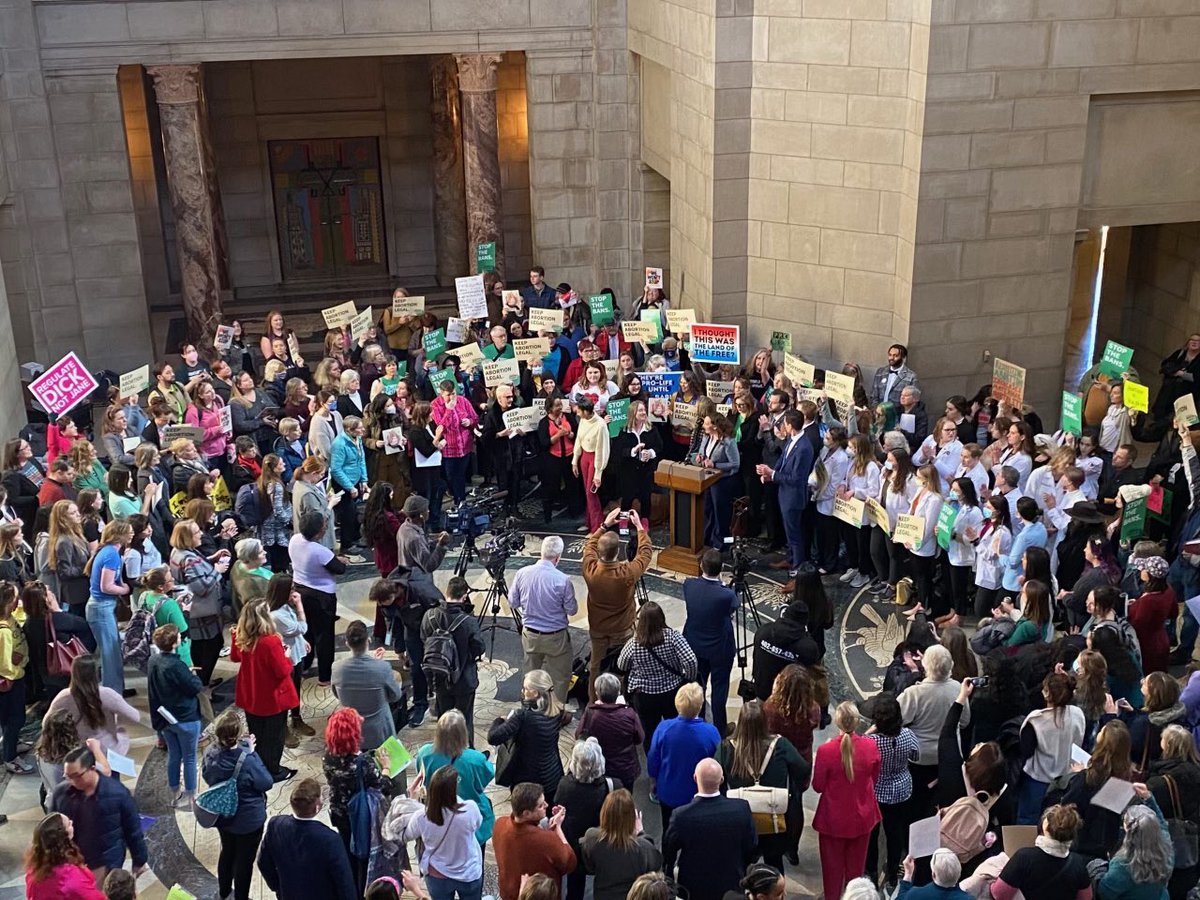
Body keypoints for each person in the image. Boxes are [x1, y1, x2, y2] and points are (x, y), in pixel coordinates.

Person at [714, 700, 810, 872]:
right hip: (773, 819)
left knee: (741, 866)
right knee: (774, 865)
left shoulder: (726, 748)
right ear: (765, 722)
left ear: (740, 723)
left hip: (741, 819)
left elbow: (715, 777)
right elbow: (803, 769)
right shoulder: (780, 745)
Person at [49, 746, 147, 885]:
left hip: (103, 863)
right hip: (71, 862)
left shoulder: (117, 793)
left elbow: (133, 830)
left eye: (76, 776)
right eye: (67, 777)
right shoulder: (61, 793)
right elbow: (51, 827)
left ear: (92, 768)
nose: (71, 781)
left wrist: (139, 860)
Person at [323, 707, 395, 896]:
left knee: (347, 849)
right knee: (361, 854)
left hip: (339, 811)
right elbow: (384, 786)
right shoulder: (363, 764)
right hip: (360, 816)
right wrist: (386, 767)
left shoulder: (328, 756)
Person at [663, 758, 758, 900]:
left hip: (693, 885)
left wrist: (669, 879)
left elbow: (668, 852)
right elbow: (752, 845)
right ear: (722, 780)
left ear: (695, 778)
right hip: (732, 881)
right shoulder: (741, 808)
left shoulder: (681, 815)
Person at [583, 506, 652, 701]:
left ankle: (592, 702)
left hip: (598, 629)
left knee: (595, 666)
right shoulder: (626, 574)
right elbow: (645, 554)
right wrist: (639, 526)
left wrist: (604, 525)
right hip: (622, 630)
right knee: (622, 667)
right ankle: (620, 700)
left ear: (600, 552)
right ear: (618, 552)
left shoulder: (590, 570)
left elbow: (589, 547)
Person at [230, 599, 299, 782]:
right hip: (271, 696)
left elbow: (235, 657)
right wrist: (286, 656)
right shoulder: (270, 642)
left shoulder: (242, 636)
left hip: (251, 693)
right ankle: (274, 771)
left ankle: (258, 764)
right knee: (275, 737)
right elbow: (282, 671)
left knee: (257, 734)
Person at [397, 494, 451, 724]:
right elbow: (428, 563)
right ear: (420, 515)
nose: (430, 512)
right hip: (418, 599)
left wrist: (430, 542)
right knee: (425, 652)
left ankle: (424, 696)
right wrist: (441, 546)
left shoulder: (406, 528)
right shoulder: (413, 537)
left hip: (414, 591)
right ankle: (423, 701)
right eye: (427, 510)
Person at [898, 645, 970, 818]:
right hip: (949, 757)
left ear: (925, 666)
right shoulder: (958, 689)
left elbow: (896, 721)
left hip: (919, 758)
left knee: (917, 803)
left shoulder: (914, 693)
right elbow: (965, 721)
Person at [258, 776, 357, 900]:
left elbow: (263, 862)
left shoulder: (275, 825)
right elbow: (344, 881)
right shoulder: (330, 840)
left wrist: (278, 887)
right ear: (317, 807)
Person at [620, 600, 698, 748]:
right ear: (662, 618)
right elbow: (690, 660)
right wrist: (689, 678)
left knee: (650, 733)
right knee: (675, 729)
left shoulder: (634, 643)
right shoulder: (673, 637)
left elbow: (621, 665)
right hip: (672, 693)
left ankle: (653, 763)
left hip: (645, 696)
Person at [509, 535, 578, 704]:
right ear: (558, 557)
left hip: (530, 635)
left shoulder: (522, 573)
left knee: (531, 675)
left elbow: (512, 602)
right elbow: (572, 610)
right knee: (560, 677)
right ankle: (555, 714)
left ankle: (529, 707)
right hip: (556, 638)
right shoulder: (563, 580)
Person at [415, 709, 496, 848]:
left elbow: (421, 776)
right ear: (463, 733)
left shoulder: (424, 753)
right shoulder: (476, 759)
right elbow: (485, 778)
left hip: (436, 817)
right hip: (470, 822)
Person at [864, 692, 920, 891]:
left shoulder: (871, 742)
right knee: (895, 832)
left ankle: (870, 870)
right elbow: (916, 755)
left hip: (877, 792)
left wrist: (868, 733)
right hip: (901, 790)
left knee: (872, 833)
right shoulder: (908, 735)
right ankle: (893, 872)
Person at [647, 682, 721, 832]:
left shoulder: (664, 728)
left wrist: (653, 779)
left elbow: (653, 758)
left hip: (668, 791)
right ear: (700, 707)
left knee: (668, 830)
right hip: (698, 795)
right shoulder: (711, 732)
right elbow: (717, 761)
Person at [403, 765, 485, 900]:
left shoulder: (421, 816)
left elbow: (407, 835)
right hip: (468, 872)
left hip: (437, 874)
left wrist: (412, 800)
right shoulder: (470, 808)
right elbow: (477, 824)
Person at [755, 410, 815, 591]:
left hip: (794, 497)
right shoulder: (792, 440)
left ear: (789, 425)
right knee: (790, 534)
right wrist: (769, 474)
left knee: (795, 536)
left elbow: (796, 478)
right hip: (784, 494)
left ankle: (797, 575)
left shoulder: (804, 447)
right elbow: (782, 460)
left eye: (785, 423)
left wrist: (772, 474)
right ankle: (790, 560)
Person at [1016, 671, 1085, 824]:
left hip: (1037, 778)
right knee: (1057, 820)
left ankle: (1024, 846)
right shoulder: (1078, 714)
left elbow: (1026, 752)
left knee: (1027, 818)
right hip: (1066, 777)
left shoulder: (1036, 720)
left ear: (1047, 694)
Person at [557, 739, 622, 900]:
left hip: (576, 845)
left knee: (574, 886)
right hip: (603, 845)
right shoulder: (613, 786)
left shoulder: (565, 785)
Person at [488, 670, 568, 802]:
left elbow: (493, 737)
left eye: (525, 689)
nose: (522, 691)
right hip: (552, 774)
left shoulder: (522, 717)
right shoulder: (557, 710)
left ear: (535, 693)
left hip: (526, 779)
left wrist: (499, 721)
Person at [682, 548, 738, 735]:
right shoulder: (727, 595)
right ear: (721, 568)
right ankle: (720, 728)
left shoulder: (689, 585)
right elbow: (732, 608)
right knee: (719, 689)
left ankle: (698, 722)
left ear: (701, 566)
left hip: (695, 645)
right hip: (720, 648)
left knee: (699, 685)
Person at [146, 624, 203, 808]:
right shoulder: (176, 665)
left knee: (174, 754)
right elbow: (195, 687)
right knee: (189, 757)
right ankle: (190, 794)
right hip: (185, 717)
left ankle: (174, 791)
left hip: (165, 717)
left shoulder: (153, 661)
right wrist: (191, 673)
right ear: (174, 642)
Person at [290, 509, 347, 687]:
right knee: (324, 636)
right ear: (319, 531)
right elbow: (340, 569)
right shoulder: (319, 551)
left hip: (300, 590)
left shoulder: (294, 539)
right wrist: (341, 560)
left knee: (306, 630)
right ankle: (325, 676)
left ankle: (304, 665)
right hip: (320, 595)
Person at [492, 781, 577, 900]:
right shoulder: (547, 839)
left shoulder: (499, 824)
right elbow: (570, 862)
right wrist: (557, 828)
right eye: (541, 805)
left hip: (509, 892)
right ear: (526, 813)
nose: (547, 805)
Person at [46, 653, 140, 761]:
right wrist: (118, 724)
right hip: (107, 751)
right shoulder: (107, 694)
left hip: (77, 753)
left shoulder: (63, 696)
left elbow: (47, 723)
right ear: (96, 673)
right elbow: (135, 717)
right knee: (110, 777)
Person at [420, 576, 484, 732]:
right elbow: (479, 648)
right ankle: (467, 753)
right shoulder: (469, 621)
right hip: (464, 679)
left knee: (443, 720)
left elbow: (423, 639)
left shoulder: (430, 616)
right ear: (464, 596)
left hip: (440, 676)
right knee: (464, 721)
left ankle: (444, 750)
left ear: (446, 592)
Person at [168, 518, 228, 686]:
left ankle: (201, 681)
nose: (201, 533)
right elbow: (201, 588)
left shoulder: (180, 551)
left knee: (201, 647)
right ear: (187, 537)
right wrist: (217, 571)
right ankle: (202, 684)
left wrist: (211, 559)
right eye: (196, 532)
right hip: (202, 612)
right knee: (210, 646)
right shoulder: (188, 559)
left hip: (195, 611)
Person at [332, 619, 403, 750]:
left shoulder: (337, 668)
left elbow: (337, 695)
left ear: (347, 643)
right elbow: (395, 696)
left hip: (351, 727)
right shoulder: (382, 667)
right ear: (368, 640)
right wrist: (377, 664)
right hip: (379, 729)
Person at [575, 671, 644, 808]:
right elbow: (639, 738)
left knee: (604, 802)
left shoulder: (591, 714)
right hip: (625, 768)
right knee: (625, 801)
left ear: (597, 693)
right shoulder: (629, 714)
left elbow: (579, 735)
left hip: (601, 768)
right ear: (618, 692)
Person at [580, 788, 662, 900]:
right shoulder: (643, 847)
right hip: (632, 896)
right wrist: (641, 833)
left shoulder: (592, 838)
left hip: (602, 895)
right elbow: (654, 866)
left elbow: (589, 867)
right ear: (632, 819)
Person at [84, 519, 133, 694]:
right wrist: (125, 589)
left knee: (113, 653)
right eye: (129, 531)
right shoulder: (111, 554)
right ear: (119, 534)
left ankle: (116, 689)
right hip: (100, 608)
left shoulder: (111, 552)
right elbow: (106, 586)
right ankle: (112, 695)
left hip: (103, 607)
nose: (132, 534)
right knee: (110, 656)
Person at [1096, 799, 1172, 900]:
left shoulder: (1123, 864)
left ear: (1129, 830)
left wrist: (1099, 868)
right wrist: (1150, 798)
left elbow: (1104, 892)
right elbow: (1163, 824)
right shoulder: (1167, 850)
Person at [25, 812, 109, 900]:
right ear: (62, 836)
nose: (72, 822)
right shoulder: (70, 876)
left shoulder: (34, 868)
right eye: (69, 824)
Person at [750, 599, 822, 701]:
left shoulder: (763, 631)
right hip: (789, 701)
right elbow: (813, 670)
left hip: (763, 692)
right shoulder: (808, 648)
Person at [1127, 556, 1176, 674]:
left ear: (1150, 575)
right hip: (1161, 640)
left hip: (1147, 647)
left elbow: (1136, 625)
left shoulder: (1148, 601)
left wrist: (1134, 607)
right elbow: (1173, 612)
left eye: (1144, 569)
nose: (1141, 570)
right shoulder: (1168, 590)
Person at [571, 397, 610, 532]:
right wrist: (575, 461)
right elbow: (578, 439)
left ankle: (597, 528)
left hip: (595, 459)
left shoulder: (600, 425)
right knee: (587, 493)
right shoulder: (583, 420)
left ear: (586, 411)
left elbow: (602, 450)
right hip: (584, 458)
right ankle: (589, 523)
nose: (577, 413)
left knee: (591, 493)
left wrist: (598, 473)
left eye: (579, 411)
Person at [896, 849, 969, 900]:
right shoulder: (967, 898)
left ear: (933, 874)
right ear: (959, 874)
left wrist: (908, 874)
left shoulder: (915, 894)